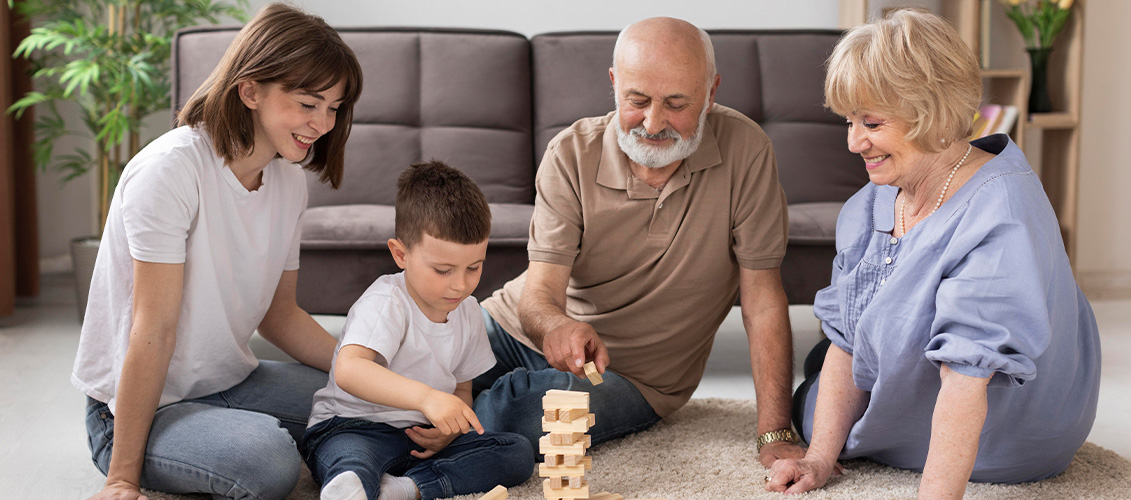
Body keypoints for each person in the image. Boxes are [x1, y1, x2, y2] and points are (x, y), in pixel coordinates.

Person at [765, 9, 1101, 498]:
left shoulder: (1000, 211)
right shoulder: (876, 198)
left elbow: (968, 381)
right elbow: (848, 337)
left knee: (817, 382)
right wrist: (818, 459)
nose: (854, 141)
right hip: (922, 406)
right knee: (826, 363)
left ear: (932, 111)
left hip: (1005, 440)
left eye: (872, 123)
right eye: (849, 121)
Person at [472, 16, 805, 466]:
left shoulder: (748, 151)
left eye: (676, 103)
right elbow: (540, 295)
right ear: (614, 83)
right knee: (404, 365)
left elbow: (762, 301)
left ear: (710, 93)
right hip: (514, 329)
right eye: (638, 100)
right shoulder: (571, 152)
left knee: (510, 416)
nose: (653, 122)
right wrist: (556, 326)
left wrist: (774, 434)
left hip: (633, 380)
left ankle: (439, 414)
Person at [71, 4, 363, 500]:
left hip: (231, 380)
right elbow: (154, 330)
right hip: (134, 406)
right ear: (250, 90)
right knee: (267, 462)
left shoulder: (289, 182)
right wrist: (121, 478)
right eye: (308, 104)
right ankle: (172, 450)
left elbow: (281, 316)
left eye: (333, 108)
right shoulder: (170, 171)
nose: (323, 123)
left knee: (373, 403)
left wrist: (370, 372)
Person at [300, 161, 533, 500]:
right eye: (443, 270)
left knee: (516, 452)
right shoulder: (387, 301)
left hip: (419, 440)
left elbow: (462, 388)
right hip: (354, 426)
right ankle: (354, 484)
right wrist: (426, 398)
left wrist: (448, 432)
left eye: (474, 267)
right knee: (352, 459)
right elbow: (350, 369)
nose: (460, 284)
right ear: (401, 254)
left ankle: (404, 489)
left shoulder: (467, 310)